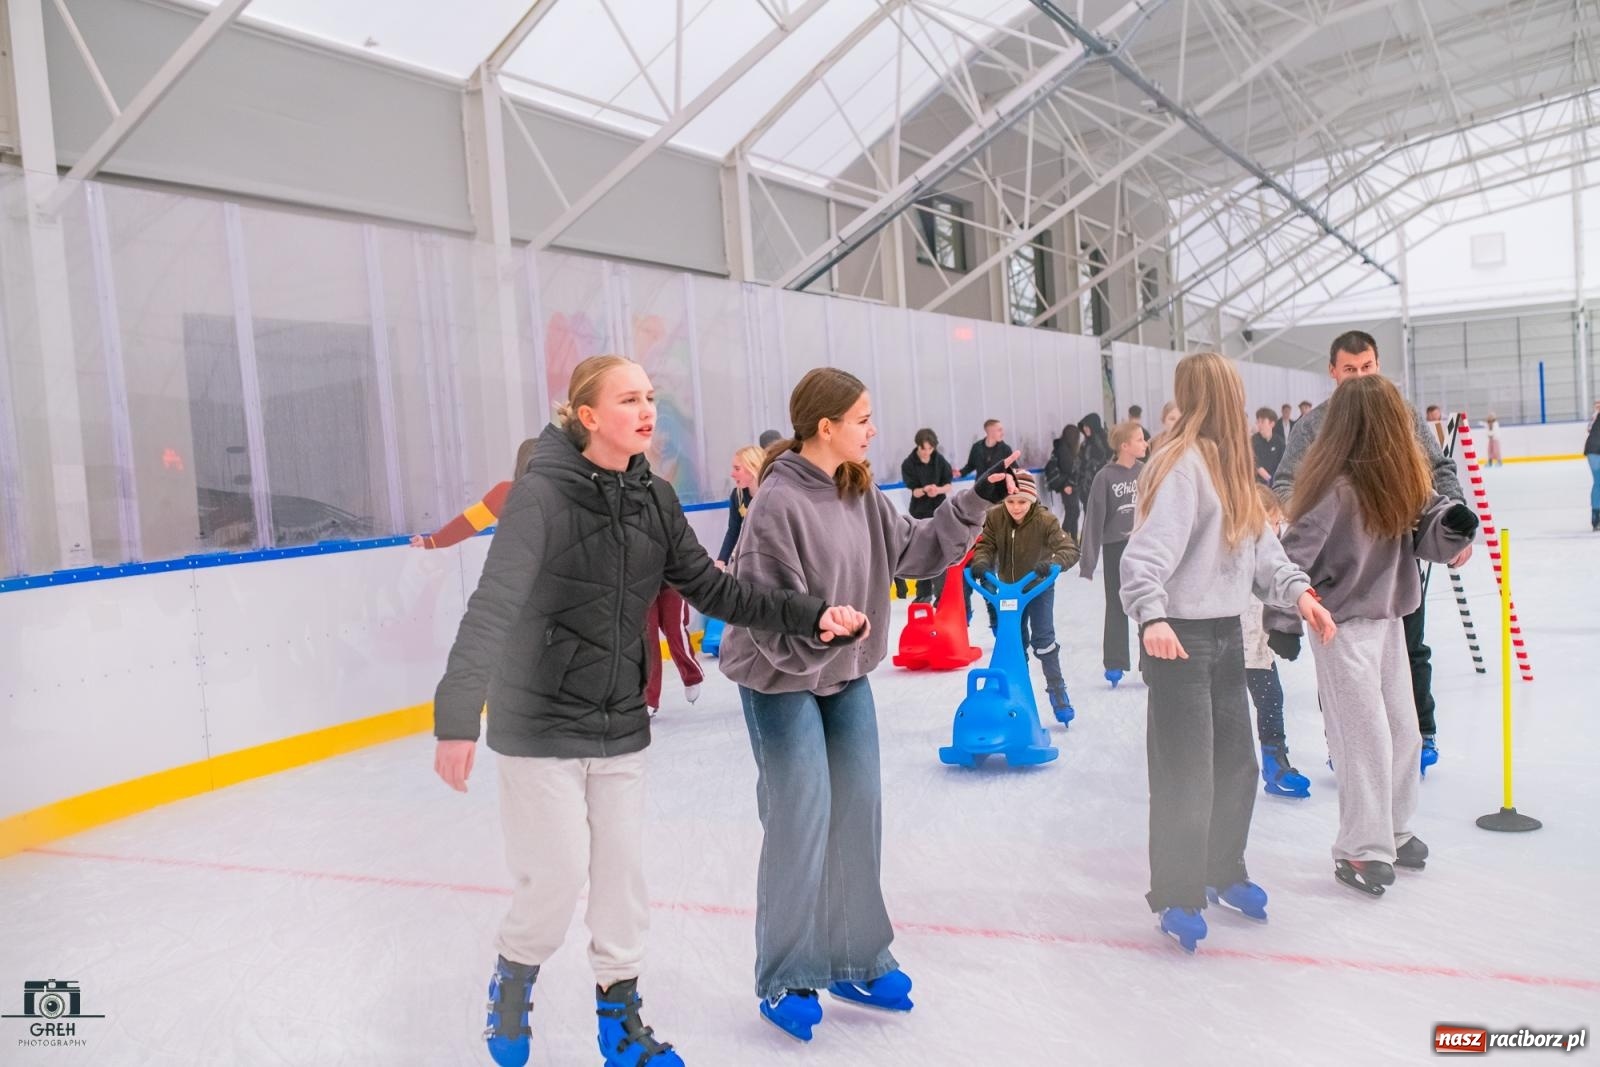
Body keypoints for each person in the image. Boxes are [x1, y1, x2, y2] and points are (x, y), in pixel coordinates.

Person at [431, 355, 866, 1067]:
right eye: (627, 398)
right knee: (558, 879)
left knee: (623, 882)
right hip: (538, 724)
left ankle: (620, 1022)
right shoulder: (540, 496)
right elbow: (492, 605)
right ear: (587, 415)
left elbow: (715, 589)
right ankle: (514, 974)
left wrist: (811, 616)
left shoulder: (654, 500)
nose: (645, 409)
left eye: (650, 397)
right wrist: (456, 717)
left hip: (619, 720)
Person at [718, 367, 1017, 1042]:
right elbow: (767, 616)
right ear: (826, 427)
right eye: (862, 418)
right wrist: (823, 626)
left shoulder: (858, 490)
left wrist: (976, 496)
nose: (873, 429)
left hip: (843, 670)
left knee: (857, 804)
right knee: (801, 811)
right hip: (777, 674)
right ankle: (787, 972)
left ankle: (855, 956)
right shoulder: (776, 503)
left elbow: (913, 549)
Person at [1119, 352, 1335, 953]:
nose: (1240, 406)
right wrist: (1152, 616)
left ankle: (1222, 869)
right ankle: (1177, 893)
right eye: (1231, 394)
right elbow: (1145, 555)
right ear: (1208, 396)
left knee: (1237, 764)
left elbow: (1264, 551)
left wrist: (1300, 594)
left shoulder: (1232, 467)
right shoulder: (1181, 464)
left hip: (1224, 635)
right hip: (1179, 638)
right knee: (1186, 771)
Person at [1266, 375, 1477, 896]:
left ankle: (1396, 829)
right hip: (1339, 625)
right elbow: (1290, 557)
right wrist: (1287, 623)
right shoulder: (1333, 488)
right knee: (1364, 740)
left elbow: (1426, 532)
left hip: (1387, 620)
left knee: (1405, 732)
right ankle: (1362, 848)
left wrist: (1452, 524)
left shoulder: (1399, 479)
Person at [1274, 330, 1469, 775]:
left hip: (1398, 556)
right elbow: (1285, 484)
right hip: (1338, 573)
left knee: (1409, 647)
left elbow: (1437, 470)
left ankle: (1421, 734)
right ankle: (1341, 741)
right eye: (1349, 370)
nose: (1359, 377)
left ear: (1378, 366)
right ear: (1333, 372)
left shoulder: (1401, 416)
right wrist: (1315, 515)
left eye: (1367, 368)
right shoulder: (1314, 427)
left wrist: (1453, 524)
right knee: (1342, 668)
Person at [971, 469, 1081, 723]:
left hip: (1037, 587)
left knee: (1044, 640)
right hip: (1007, 592)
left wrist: (1052, 563)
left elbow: (1069, 549)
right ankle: (1012, 698)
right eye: (1010, 501)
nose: (1016, 507)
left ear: (1032, 500)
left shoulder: (1045, 520)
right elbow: (985, 545)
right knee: (1012, 645)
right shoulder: (996, 516)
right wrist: (982, 563)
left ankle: (1057, 689)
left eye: (1022, 501)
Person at [1241, 485, 1311, 799]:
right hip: (1225, 647)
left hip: (1259, 650)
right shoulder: (1234, 555)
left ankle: (1275, 764)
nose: (1275, 531)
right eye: (1268, 524)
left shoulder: (1279, 556)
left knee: (1271, 701)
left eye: (1277, 523)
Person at [1078, 421, 1147, 688]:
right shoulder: (1104, 477)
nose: (1145, 443)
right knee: (1117, 604)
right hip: (1116, 549)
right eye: (1139, 439)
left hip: (1143, 547)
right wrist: (1088, 562)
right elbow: (1094, 521)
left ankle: (1151, 662)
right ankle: (1115, 662)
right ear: (1124, 446)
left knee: (1146, 602)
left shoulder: (1147, 472)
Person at [411, 438, 538, 549]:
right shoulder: (505, 494)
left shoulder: (506, 493)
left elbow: (466, 524)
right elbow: (467, 524)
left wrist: (432, 542)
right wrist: (432, 542)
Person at [900, 428, 956, 603]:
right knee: (920, 552)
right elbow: (913, 491)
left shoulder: (940, 461)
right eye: (924, 449)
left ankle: (941, 595)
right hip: (919, 512)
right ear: (918, 447)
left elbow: (948, 485)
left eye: (930, 449)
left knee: (940, 551)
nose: (927, 452)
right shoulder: (909, 463)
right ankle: (923, 593)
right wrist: (924, 490)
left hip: (939, 510)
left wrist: (937, 490)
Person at [958, 418, 1014, 505]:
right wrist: (960, 473)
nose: (1002, 433)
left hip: (999, 493)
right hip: (981, 490)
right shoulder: (977, 448)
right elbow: (970, 465)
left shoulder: (1005, 449)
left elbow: (1014, 469)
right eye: (999, 430)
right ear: (990, 431)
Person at [1046, 423, 1082, 538]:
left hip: (1068, 484)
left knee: (1073, 512)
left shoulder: (1062, 447)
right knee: (1073, 512)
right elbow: (1068, 468)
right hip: (1067, 485)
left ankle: (1073, 540)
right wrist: (1068, 484)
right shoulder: (1064, 449)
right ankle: (1064, 539)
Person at [1252, 407, 1284, 485]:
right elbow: (1255, 464)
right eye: (1258, 422)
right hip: (1258, 484)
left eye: (1262, 422)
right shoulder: (1252, 441)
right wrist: (1269, 479)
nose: (1259, 425)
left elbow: (1283, 462)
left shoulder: (1279, 441)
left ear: (1272, 424)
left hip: (1276, 483)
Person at [1586, 412, 1600, 531]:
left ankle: (1596, 516)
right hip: (1595, 450)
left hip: (1591, 450)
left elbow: (1589, 428)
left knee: (1598, 482)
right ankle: (1596, 516)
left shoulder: (1596, 415)